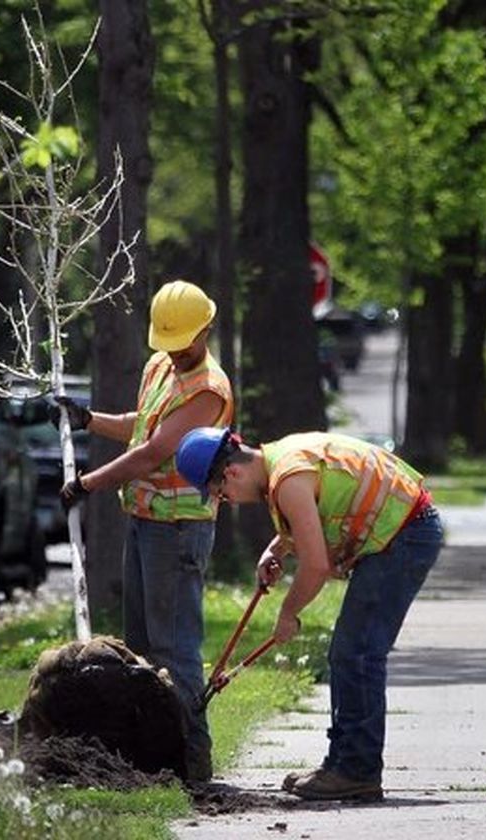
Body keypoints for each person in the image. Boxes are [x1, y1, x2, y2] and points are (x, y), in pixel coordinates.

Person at [174, 427, 443, 801]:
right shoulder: (280, 459)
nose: (227, 500)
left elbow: (315, 565)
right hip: (402, 528)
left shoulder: (287, 479)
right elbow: (318, 512)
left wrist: (288, 614)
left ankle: (357, 770)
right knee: (349, 653)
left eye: (221, 493)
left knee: (358, 652)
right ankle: (341, 764)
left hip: (406, 532)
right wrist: (278, 548)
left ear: (231, 472)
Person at [57, 280, 233, 782]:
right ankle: (149, 760)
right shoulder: (161, 365)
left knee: (174, 649)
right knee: (138, 648)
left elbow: (156, 452)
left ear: (206, 330)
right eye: (169, 344)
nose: (176, 353)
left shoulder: (209, 390)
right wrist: (89, 420)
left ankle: (194, 764)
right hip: (145, 519)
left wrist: (88, 482)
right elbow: (144, 427)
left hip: (179, 531)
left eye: (185, 344)